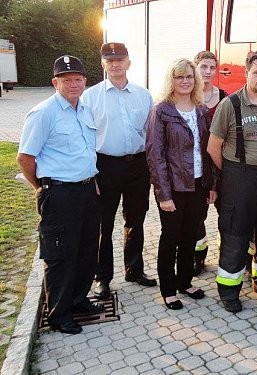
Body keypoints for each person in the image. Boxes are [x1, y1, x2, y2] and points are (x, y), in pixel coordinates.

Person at [17, 55, 101, 334]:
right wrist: (41, 187)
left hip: (88, 189)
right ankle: (58, 314)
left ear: (85, 82)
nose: (73, 84)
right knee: (61, 255)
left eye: (78, 79)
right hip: (60, 194)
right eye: (66, 80)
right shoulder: (43, 113)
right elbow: (25, 158)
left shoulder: (85, 109)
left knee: (87, 250)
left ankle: (78, 300)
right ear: (55, 82)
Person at [207, 51, 257, 312]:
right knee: (236, 234)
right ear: (246, 73)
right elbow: (213, 147)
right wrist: (232, 172)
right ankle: (229, 291)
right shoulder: (230, 105)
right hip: (240, 177)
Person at [81, 42, 156, 301]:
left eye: (120, 59)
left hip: (137, 164)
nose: (115, 64)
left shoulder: (143, 95)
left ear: (128, 62)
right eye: (109, 60)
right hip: (105, 166)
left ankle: (134, 270)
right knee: (104, 224)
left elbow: (151, 133)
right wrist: (91, 173)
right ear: (103, 63)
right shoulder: (90, 97)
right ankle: (103, 278)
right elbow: (85, 139)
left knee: (136, 219)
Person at [146, 58, 216, 310]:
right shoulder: (161, 111)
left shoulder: (200, 109)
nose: (185, 81)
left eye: (189, 77)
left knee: (191, 235)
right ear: (171, 80)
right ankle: (168, 289)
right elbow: (155, 156)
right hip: (173, 186)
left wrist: (210, 185)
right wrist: (163, 194)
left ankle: (184, 281)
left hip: (198, 183)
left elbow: (206, 150)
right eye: (179, 77)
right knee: (171, 237)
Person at [192, 50, 227, 276]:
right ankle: (198, 256)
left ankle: (228, 254)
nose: (207, 71)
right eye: (203, 66)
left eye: (211, 67)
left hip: (221, 163)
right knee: (197, 214)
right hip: (199, 165)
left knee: (226, 212)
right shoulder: (188, 96)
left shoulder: (224, 96)